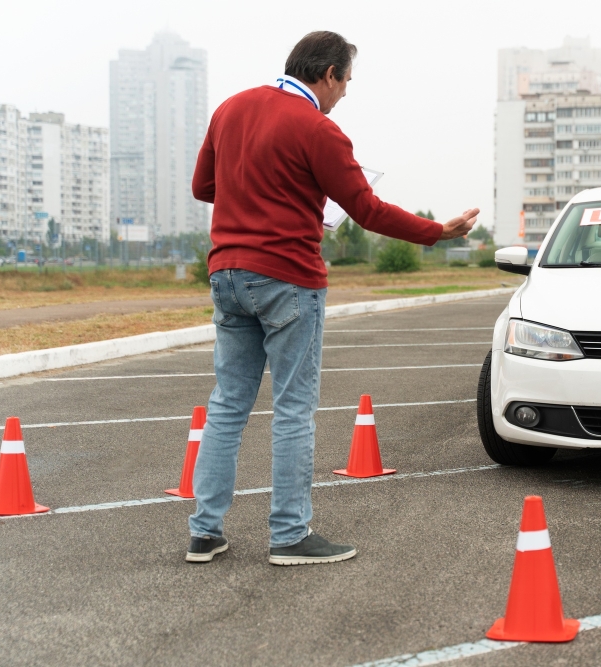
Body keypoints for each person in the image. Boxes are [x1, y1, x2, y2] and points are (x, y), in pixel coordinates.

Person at [186, 31, 478, 566]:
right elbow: (366, 209)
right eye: (346, 82)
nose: (345, 93)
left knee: (228, 406)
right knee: (294, 409)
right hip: (287, 278)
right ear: (327, 74)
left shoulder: (230, 108)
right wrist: (438, 231)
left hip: (227, 274)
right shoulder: (319, 129)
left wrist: (261, 192)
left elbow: (204, 187)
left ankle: (205, 532)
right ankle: (290, 535)